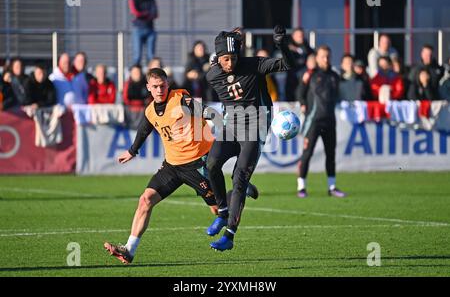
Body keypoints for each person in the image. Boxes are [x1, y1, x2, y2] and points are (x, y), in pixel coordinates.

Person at [103, 68, 258, 264]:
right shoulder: (150, 110)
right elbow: (144, 129)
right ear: (148, 88)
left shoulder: (180, 99)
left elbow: (203, 110)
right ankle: (129, 250)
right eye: (155, 87)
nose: (160, 90)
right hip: (172, 166)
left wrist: (219, 117)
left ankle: (240, 191)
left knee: (219, 212)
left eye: (163, 86)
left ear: (168, 85)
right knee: (145, 200)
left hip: (198, 163)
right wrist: (132, 151)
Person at [205, 25, 295, 251]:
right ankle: (223, 212)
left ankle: (229, 236)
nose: (230, 63)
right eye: (225, 59)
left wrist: (281, 45)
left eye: (233, 57)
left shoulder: (254, 65)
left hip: (255, 129)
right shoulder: (213, 75)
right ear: (218, 59)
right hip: (231, 128)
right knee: (212, 164)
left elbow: (288, 64)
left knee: (239, 180)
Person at [297, 45, 347, 199]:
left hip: (329, 120)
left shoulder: (334, 75)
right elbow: (300, 92)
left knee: (330, 154)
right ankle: (301, 187)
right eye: (323, 56)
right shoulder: (310, 75)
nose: (326, 59)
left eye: (328, 56)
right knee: (307, 154)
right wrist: (303, 103)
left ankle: (332, 187)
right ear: (317, 58)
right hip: (313, 121)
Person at [129, 0, 158, 66]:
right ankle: (136, 78)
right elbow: (136, 13)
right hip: (138, 29)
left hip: (150, 29)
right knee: (137, 56)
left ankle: (153, 78)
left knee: (151, 56)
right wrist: (147, 14)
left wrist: (143, 14)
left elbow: (155, 14)